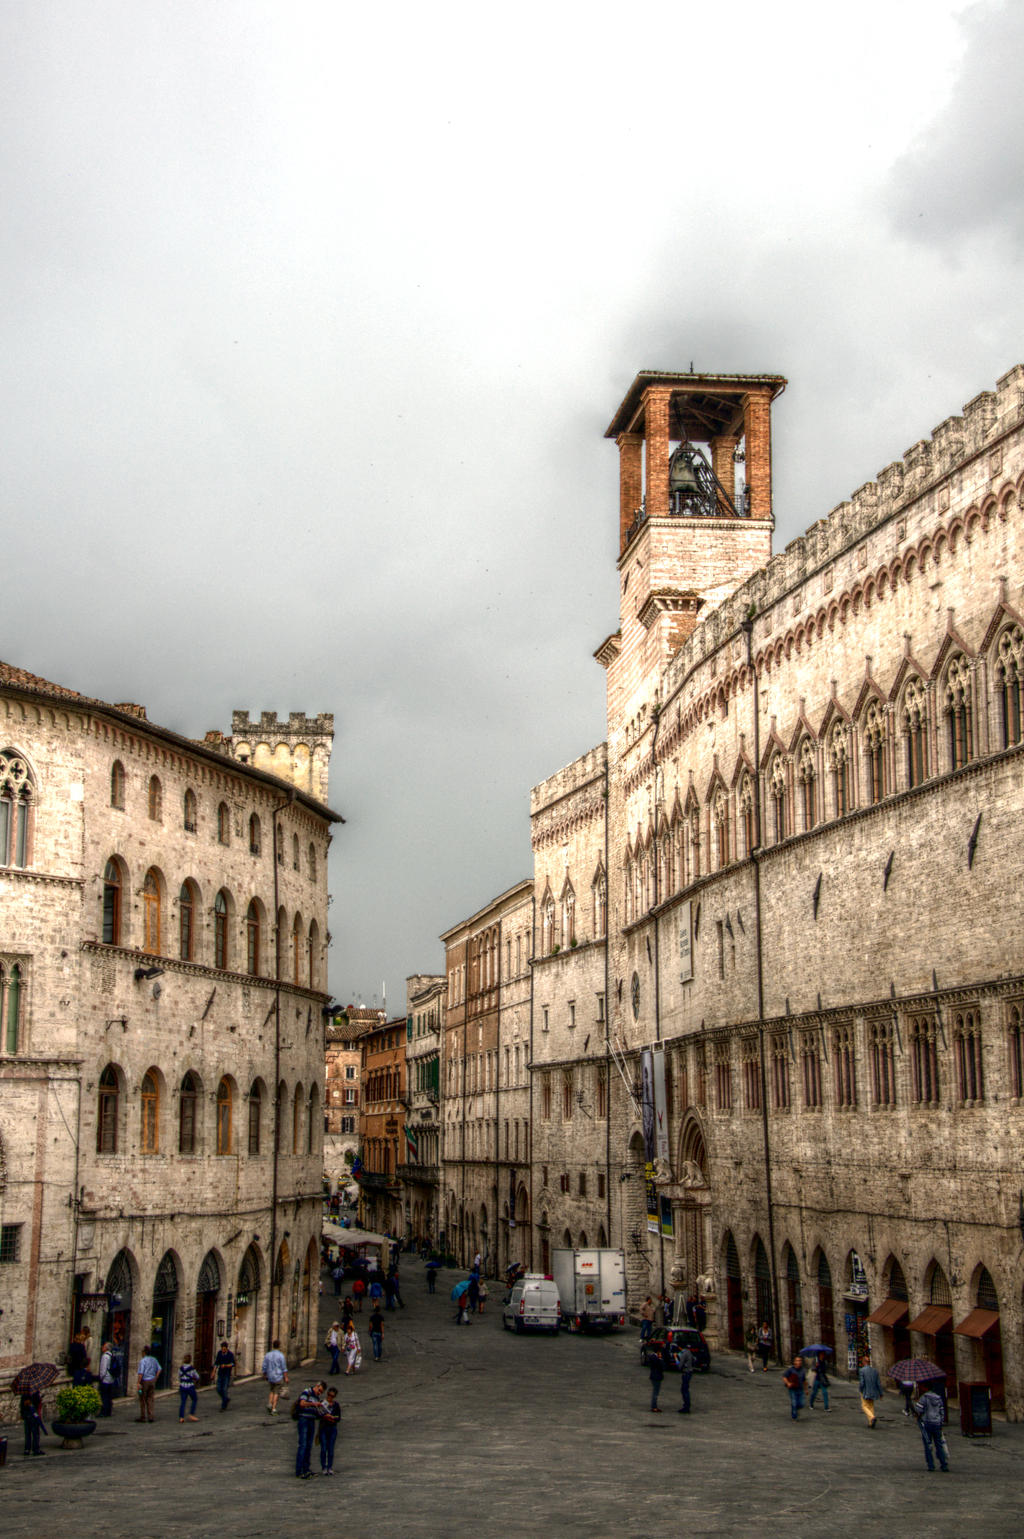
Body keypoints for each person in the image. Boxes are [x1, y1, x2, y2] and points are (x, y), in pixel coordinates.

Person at [913, 1386, 950, 1472]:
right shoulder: (939, 1398)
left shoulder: (924, 1398)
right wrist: (940, 1422)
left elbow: (918, 1410)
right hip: (937, 1424)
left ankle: (931, 1465)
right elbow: (942, 1411)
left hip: (927, 1423)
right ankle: (943, 1464)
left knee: (928, 1445)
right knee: (939, 1444)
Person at [295, 1381, 325, 1480]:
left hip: (311, 1421)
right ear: (317, 1386)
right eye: (319, 1390)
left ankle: (306, 1469)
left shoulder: (317, 1397)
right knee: (303, 1445)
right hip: (304, 1420)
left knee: (308, 1446)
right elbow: (302, 1403)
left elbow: (317, 1412)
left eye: (321, 1392)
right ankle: (299, 1471)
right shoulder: (307, 1392)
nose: (319, 1393)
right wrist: (313, 1404)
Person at [135, 1344, 161, 1422]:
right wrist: (155, 1377)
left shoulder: (143, 1361)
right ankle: (151, 1416)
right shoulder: (154, 1360)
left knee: (142, 1398)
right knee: (150, 1398)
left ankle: (143, 1416)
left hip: (145, 1381)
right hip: (152, 1380)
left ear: (144, 1352)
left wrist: (138, 1383)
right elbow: (159, 1369)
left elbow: (141, 1373)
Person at [261, 1339, 289, 1414]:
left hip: (270, 1376)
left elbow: (264, 1365)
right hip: (278, 1376)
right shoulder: (281, 1355)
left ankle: (270, 1403)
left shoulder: (268, 1354)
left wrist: (264, 1374)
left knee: (272, 1390)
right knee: (276, 1392)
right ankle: (273, 1408)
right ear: (279, 1346)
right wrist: (286, 1377)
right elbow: (284, 1368)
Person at [319, 1385, 341, 1475]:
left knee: (331, 1449)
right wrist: (326, 1417)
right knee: (323, 1448)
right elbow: (319, 1414)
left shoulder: (336, 1405)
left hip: (332, 1428)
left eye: (332, 1396)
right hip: (323, 1427)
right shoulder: (322, 1403)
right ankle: (324, 1467)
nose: (330, 1398)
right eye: (329, 1395)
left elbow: (338, 1417)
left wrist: (332, 1418)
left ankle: (330, 1467)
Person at [858, 1359, 884, 1427]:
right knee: (871, 1406)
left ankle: (872, 1417)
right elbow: (878, 1383)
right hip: (873, 1391)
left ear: (864, 1362)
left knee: (864, 1406)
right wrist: (881, 1393)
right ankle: (871, 1422)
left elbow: (862, 1383)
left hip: (865, 1391)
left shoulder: (862, 1370)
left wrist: (860, 1390)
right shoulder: (875, 1371)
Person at [20, 1390, 46, 1456]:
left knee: (28, 1433)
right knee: (35, 1433)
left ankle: (27, 1449)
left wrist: (22, 1414)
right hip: (33, 1414)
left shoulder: (24, 1393)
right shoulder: (35, 1393)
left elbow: (21, 1405)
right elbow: (37, 1403)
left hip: (26, 1415)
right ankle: (36, 1449)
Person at [783, 1355, 806, 1420]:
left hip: (800, 1388)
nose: (798, 1362)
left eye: (800, 1361)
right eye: (797, 1360)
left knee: (801, 1404)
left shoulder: (803, 1370)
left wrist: (806, 1389)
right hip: (793, 1389)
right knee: (794, 1402)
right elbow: (784, 1377)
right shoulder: (791, 1370)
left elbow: (804, 1380)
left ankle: (795, 1409)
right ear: (794, 1362)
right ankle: (794, 1415)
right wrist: (788, 1383)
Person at [178, 1356, 200, 1423]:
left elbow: (179, 1377)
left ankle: (181, 1417)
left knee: (183, 1402)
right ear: (190, 1360)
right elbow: (197, 1377)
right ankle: (191, 1414)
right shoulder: (192, 1369)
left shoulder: (180, 1368)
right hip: (190, 1386)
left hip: (182, 1386)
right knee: (194, 1399)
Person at [214, 1340, 235, 1411]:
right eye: (222, 1349)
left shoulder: (230, 1354)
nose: (223, 1350)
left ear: (226, 1348)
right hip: (220, 1373)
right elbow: (216, 1363)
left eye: (224, 1349)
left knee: (224, 1389)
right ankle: (225, 1399)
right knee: (218, 1389)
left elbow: (232, 1364)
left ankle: (223, 1406)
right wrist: (213, 1372)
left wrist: (225, 1365)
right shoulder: (219, 1353)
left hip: (227, 1374)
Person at [97, 1340, 117, 1417]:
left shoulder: (105, 1356)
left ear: (106, 1348)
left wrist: (101, 1377)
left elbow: (103, 1368)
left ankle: (104, 1411)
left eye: (103, 1346)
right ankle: (108, 1411)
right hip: (111, 1379)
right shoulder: (111, 1355)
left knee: (104, 1396)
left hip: (105, 1379)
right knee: (109, 1396)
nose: (102, 1347)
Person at [648, 1336, 666, 1412]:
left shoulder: (652, 1357)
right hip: (656, 1376)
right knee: (655, 1392)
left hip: (654, 1376)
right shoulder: (656, 1358)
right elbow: (661, 1366)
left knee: (655, 1391)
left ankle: (654, 1405)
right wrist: (660, 1359)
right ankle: (654, 1406)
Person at [677, 1343, 695, 1414]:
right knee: (685, 1389)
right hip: (690, 1372)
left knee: (684, 1389)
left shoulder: (684, 1353)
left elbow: (680, 1366)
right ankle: (687, 1405)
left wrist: (677, 1362)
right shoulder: (690, 1353)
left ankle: (686, 1406)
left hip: (686, 1373)